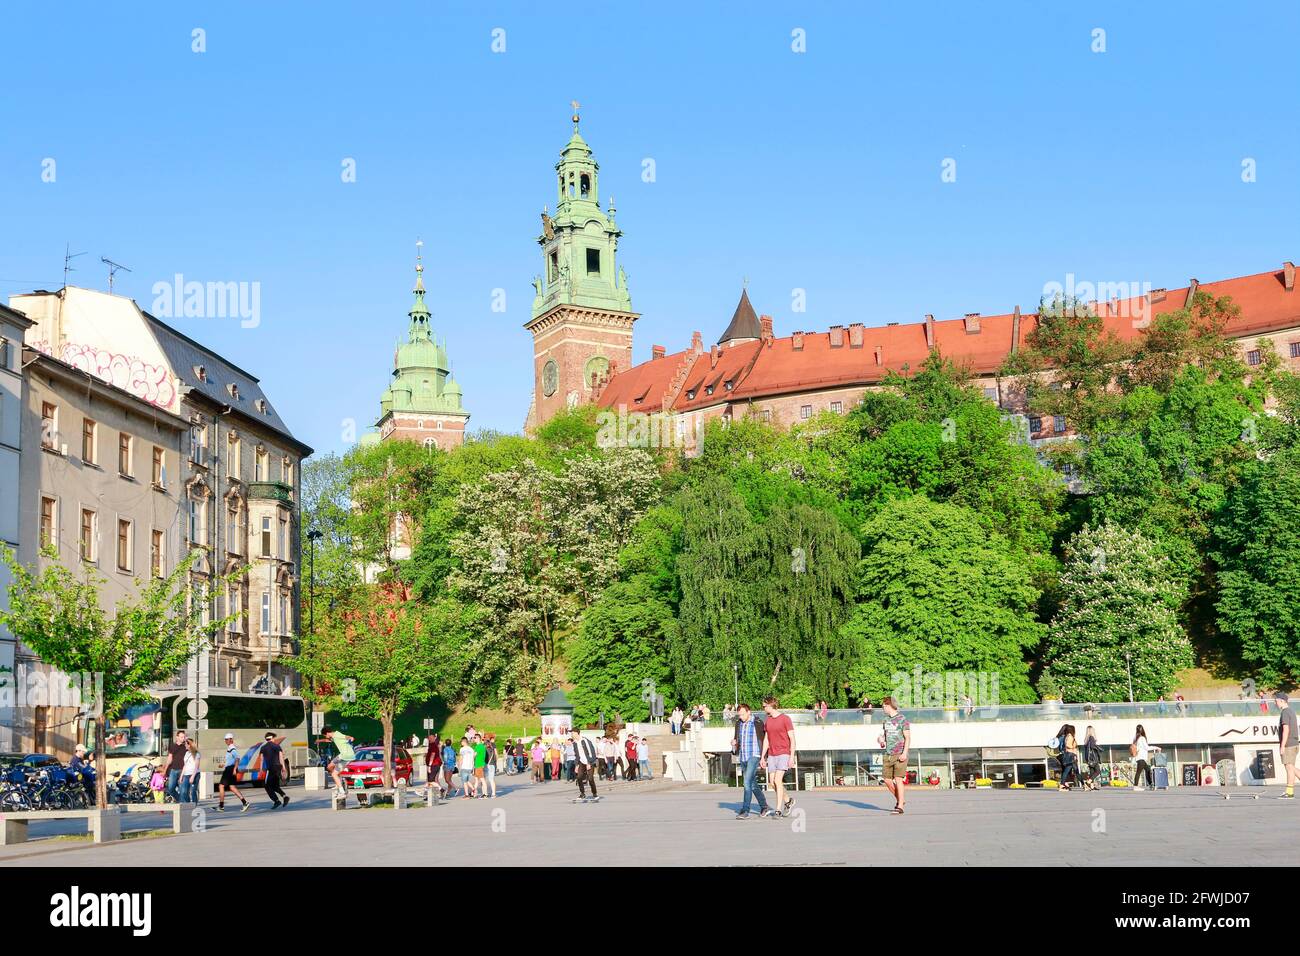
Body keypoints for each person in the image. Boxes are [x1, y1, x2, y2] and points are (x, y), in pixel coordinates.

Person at [732, 702, 774, 819]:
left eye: (742, 714)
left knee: (746, 783)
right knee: (752, 784)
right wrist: (734, 743)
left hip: (754, 755)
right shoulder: (738, 724)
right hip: (743, 756)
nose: (741, 717)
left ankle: (745, 810)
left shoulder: (758, 722)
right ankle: (764, 806)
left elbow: (765, 738)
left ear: (748, 712)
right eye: (739, 715)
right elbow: (737, 739)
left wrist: (764, 757)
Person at [760, 695, 796, 817]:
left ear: (770, 705)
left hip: (784, 753)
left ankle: (778, 809)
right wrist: (762, 756)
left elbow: (792, 739)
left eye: (764, 706)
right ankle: (788, 801)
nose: (763, 708)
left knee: (777, 780)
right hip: (772, 754)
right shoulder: (768, 720)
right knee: (772, 782)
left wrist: (791, 757)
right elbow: (766, 739)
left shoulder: (785, 719)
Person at [879, 696, 911, 815]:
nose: (883, 708)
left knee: (898, 779)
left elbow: (907, 737)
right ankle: (900, 800)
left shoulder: (902, 719)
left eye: (883, 706)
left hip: (899, 753)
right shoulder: (885, 721)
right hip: (888, 754)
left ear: (889, 706)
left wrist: (904, 753)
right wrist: (881, 740)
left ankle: (900, 806)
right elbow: (885, 737)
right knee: (887, 780)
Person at [217, 733, 250, 812]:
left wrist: (235, 769)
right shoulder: (230, 748)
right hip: (230, 768)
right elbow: (231, 760)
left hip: (230, 769)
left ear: (231, 739)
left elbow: (237, 758)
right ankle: (245, 803)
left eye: (227, 739)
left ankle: (221, 807)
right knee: (232, 787)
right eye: (225, 739)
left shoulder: (232, 748)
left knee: (221, 786)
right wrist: (224, 765)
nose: (225, 741)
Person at [1276, 691, 1297, 799]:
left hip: (1288, 744)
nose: (1276, 703)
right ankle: (1289, 791)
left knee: (1289, 768)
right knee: (1292, 767)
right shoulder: (1291, 711)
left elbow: (1286, 729)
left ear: (1282, 701)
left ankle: (1289, 792)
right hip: (1294, 743)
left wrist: (1282, 745)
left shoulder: (1285, 712)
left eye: (1277, 701)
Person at [324, 725, 356, 795]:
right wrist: (319, 741)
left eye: (325, 735)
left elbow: (345, 736)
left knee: (330, 767)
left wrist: (351, 737)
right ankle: (338, 784)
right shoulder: (334, 737)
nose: (325, 737)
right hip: (348, 757)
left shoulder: (337, 734)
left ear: (327, 733)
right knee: (335, 772)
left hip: (344, 755)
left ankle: (340, 789)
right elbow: (329, 740)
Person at [260, 732, 289, 808]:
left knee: (267, 785)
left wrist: (260, 769)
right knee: (274, 786)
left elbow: (261, 759)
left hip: (271, 769)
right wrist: (283, 767)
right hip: (277, 768)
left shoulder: (263, 748)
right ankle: (284, 796)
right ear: (272, 738)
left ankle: (276, 801)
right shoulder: (277, 746)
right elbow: (281, 757)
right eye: (274, 738)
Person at [570, 729, 600, 802]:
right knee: (579, 777)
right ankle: (582, 793)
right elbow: (577, 755)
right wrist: (576, 765)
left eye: (573, 733)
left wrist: (589, 763)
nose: (572, 735)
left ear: (577, 733)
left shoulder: (585, 741)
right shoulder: (575, 743)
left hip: (589, 761)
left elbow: (591, 752)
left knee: (590, 778)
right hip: (581, 762)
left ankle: (594, 793)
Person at [161, 730, 188, 802]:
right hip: (173, 770)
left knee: (182, 790)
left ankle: (183, 804)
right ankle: (180, 800)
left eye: (184, 737)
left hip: (183, 770)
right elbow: (169, 758)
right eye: (181, 737)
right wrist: (165, 770)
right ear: (177, 737)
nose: (183, 738)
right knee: (170, 788)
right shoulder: (173, 746)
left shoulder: (186, 747)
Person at [1056, 724, 1080, 791]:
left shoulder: (1060, 737)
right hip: (1066, 755)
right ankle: (1062, 785)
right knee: (1067, 770)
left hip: (1063, 755)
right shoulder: (1065, 737)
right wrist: (1073, 747)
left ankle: (1065, 784)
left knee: (1067, 770)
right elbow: (1065, 746)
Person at [179, 738, 202, 803]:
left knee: (192, 792)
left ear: (189, 745)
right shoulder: (186, 753)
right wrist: (181, 776)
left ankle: (194, 806)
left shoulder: (196, 753)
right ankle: (189, 804)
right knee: (184, 792)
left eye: (186, 744)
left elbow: (197, 766)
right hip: (186, 775)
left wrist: (193, 776)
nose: (185, 745)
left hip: (194, 774)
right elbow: (185, 765)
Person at [1131, 725, 1153, 791]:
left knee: (1147, 769)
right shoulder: (1142, 738)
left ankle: (1150, 784)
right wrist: (1156, 748)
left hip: (1138, 758)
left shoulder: (1135, 738)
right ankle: (1136, 786)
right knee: (1139, 772)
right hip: (1141, 758)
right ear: (1142, 730)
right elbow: (1147, 748)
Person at [1083, 725, 1103, 791]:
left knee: (1092, 772)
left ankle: (1091, 786)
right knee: (1097, 771)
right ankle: (1088, 782)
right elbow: (1092, 746)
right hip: (1093, 758)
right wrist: (1099, 748)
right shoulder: (1091, 737)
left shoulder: (1086, 739)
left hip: (1089, 759)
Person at [483, 733, 499, 799]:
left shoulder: (484, 745)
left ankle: (485, 793)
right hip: (492, 764)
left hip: (486, 764)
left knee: (484, 779)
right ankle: (493, 793)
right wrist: (495, 763)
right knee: (491, 779)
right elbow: (496, 754)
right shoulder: (493, 745)